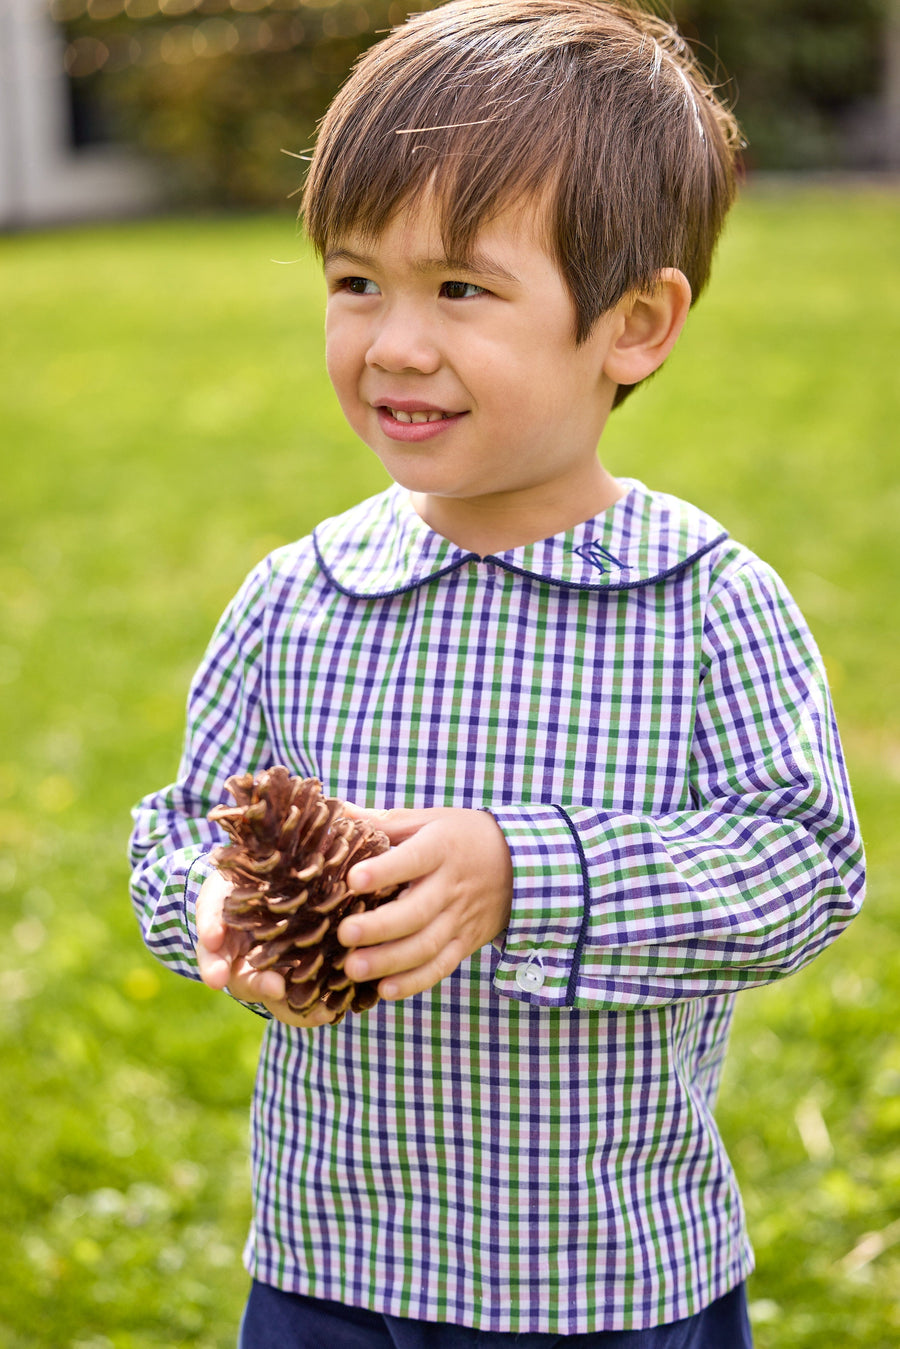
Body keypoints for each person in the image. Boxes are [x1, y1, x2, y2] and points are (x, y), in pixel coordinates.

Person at [129, 2, 865, 1344]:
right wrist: (218, 903)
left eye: (460, 288)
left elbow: (802, 868)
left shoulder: (704, 605)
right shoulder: (295, 599)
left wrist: (526, 874)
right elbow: (180, 829)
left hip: (601, 1276)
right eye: (357, 281)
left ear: (633, 324)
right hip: (326, 1259)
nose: (394, 342)